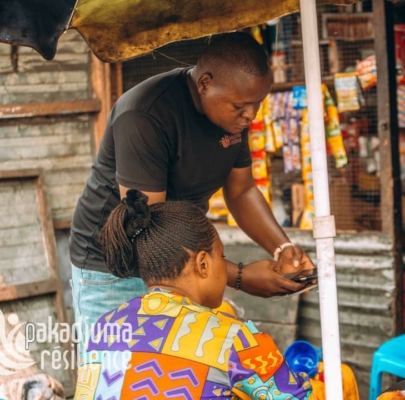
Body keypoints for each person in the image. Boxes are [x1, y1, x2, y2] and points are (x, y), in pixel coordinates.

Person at [70, 31, 315, 347]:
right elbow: (152, 233)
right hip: (114, 270)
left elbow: (241, 191)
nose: (251, 115)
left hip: (180, 264)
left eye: (258, 103)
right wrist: (239, 276)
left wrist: (283, 248)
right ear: (205, 83)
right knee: (115, 376)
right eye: (241, 105)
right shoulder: (145, 115)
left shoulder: (231, 117)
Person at [74, 190, 324, 399]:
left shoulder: (103, 327)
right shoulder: (236, 339)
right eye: (222, 257)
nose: (224, 265)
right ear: (203, 264)